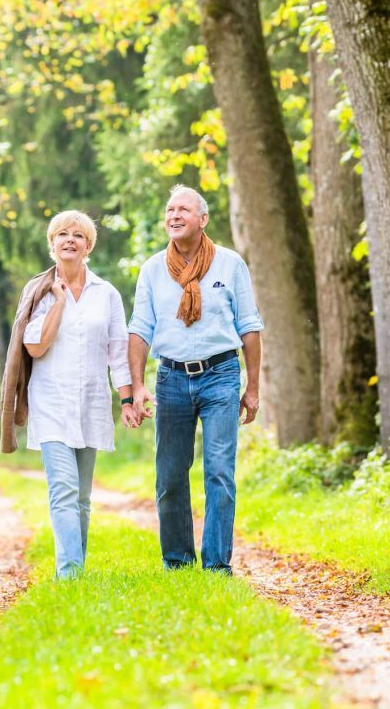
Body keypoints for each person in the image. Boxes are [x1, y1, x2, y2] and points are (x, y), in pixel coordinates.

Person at [128, 185, 263, 574]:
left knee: (219, 471)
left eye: (183, 209)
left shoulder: (230, 264)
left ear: (202, 220)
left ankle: (217, 565)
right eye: (170, 209)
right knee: (170, 474)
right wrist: (137, 386)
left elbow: (250, 326)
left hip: (221, 375)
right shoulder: (153, 269)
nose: (174, 215)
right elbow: (139, 329)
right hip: (170, 377)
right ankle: (178, 563)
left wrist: (252, 388)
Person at [0, 210, 137, 579]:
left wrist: (127, 400)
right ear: (52, 244)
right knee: (63, 490)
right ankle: (70, 574)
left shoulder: (106, 294)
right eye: (62, 234)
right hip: (51, 403)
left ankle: (77, 568)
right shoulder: (39, 293)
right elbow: (35, 347)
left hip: (91, 403)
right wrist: (59, 302)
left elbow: (117, 351)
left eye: (78, 235)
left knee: (81, 499)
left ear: (88, 246)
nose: (70, 240)